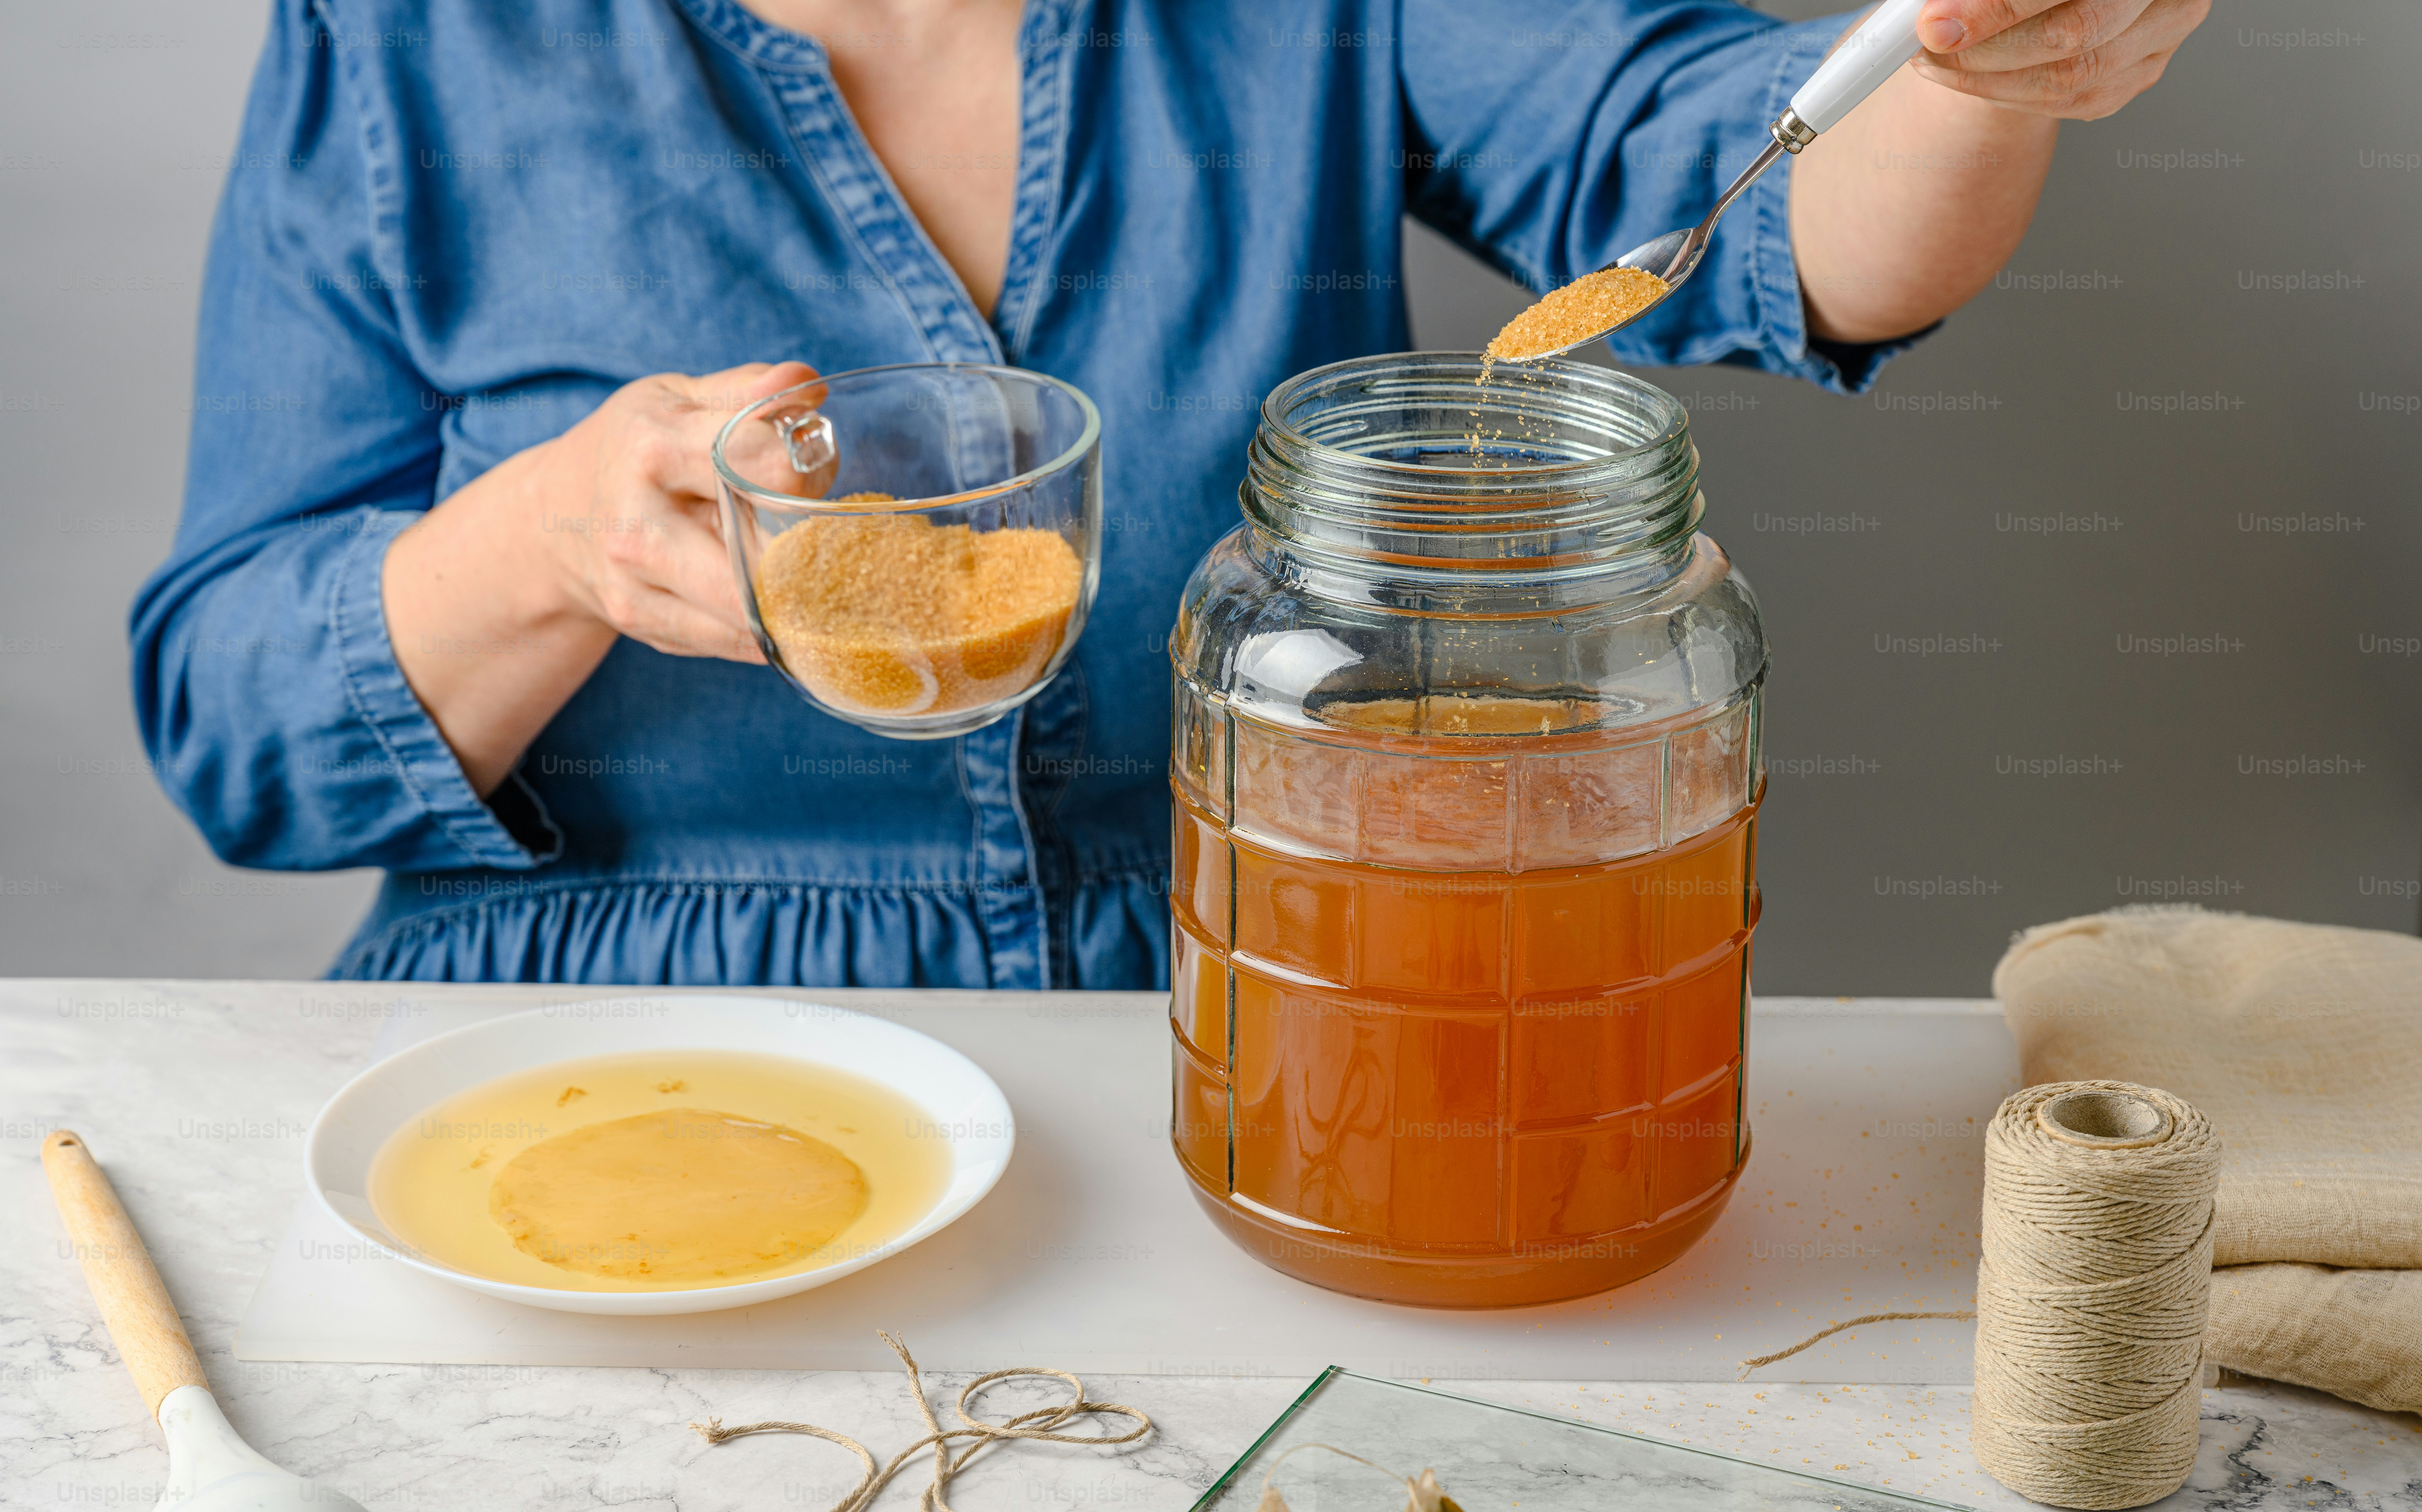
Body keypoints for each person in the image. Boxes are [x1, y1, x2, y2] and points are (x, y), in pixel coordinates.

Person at [132, 0, 2211, 988]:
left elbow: (1771, 219)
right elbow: (232, 740)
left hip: (1241, 994)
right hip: (584, 1029)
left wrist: (1968, 60)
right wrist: (547, 543)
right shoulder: (412, 46)